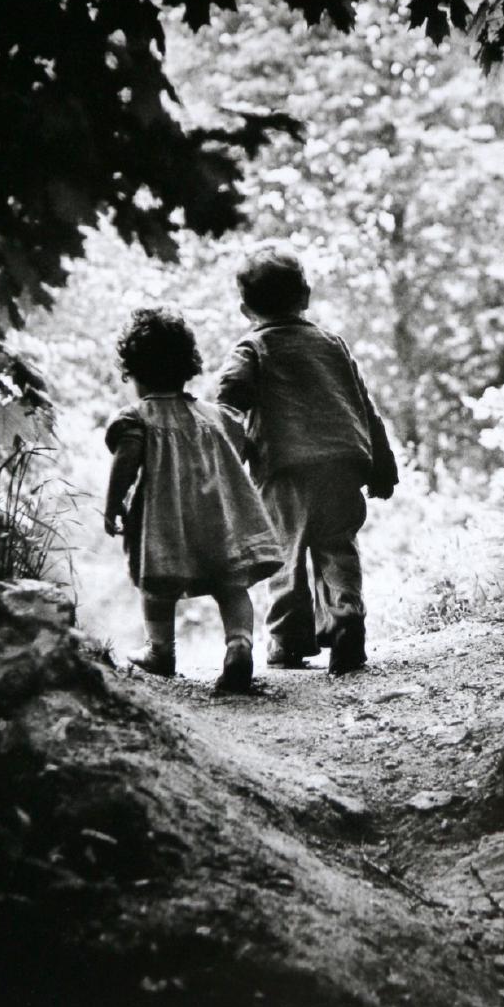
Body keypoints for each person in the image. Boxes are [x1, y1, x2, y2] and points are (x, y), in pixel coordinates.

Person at [216, 243, 398, 676]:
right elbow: (364, 406)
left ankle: (288, 640)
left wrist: (231, 450)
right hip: (342, 465)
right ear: (306, 296)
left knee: (286, 554)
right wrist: (382, 464)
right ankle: (346, 616)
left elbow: (229, 397)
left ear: (245, 309)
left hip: (285, 470)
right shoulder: (333, 345)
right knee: (338, 547)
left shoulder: (252, 348)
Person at [103, 305, 283, 692]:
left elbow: (126, 460)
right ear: (187, 366)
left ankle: (160, 651)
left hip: (165, 523)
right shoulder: (215, 416)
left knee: (156, 587)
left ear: (134, 373)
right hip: (222, 519)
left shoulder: (138, 418)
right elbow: (241, 446)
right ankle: (239, 646)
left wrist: (112, 503)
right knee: (232, 586)